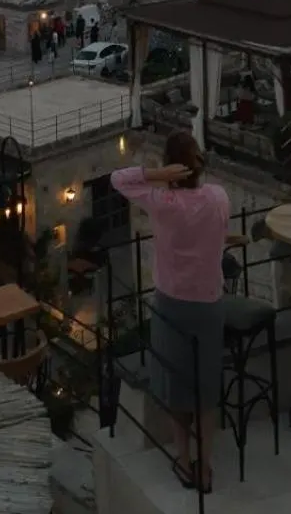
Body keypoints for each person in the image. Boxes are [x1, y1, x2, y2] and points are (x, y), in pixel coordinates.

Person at [111, 133, 229, 495]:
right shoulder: (218, 198)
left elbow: (117, 179)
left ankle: (183, 458)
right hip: (209, 302)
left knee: (177, 386)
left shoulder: (163, 202)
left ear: (171, 167)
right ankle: (205, 466)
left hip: (172, 302)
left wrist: (156, 175)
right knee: (206, 387)